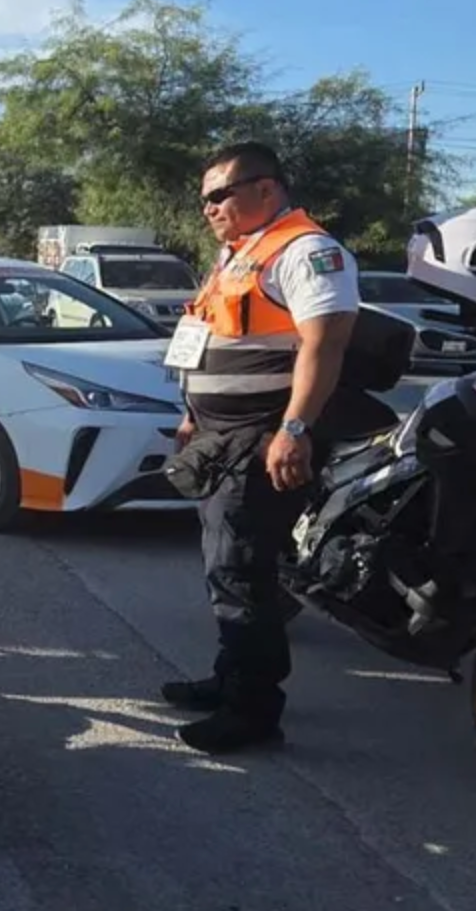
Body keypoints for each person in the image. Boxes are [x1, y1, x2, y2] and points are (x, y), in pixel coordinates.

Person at [161, 141, 360, 754]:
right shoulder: (237, 254)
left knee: (241, 569)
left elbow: (322, 347)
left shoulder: (308, 251)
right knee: (225, 565)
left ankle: (253, 711)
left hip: (262, 434)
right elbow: (209, 337)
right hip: (220, 435)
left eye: (220, 195)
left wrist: (294, 430)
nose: (209, 209)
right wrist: (193, 415)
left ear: (266, 189)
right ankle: (229, 680)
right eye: (204, 200)